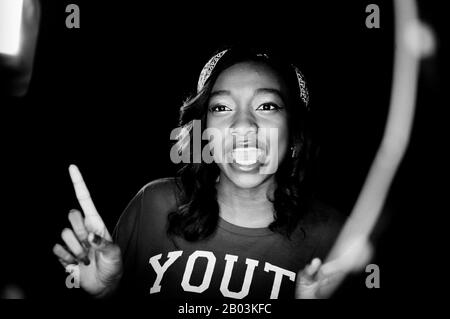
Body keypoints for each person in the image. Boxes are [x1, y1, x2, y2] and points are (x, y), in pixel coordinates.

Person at [53, 45, 347, 299]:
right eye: (221, 108)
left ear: (295, 135)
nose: (243, 126)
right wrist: (109, 292)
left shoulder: (335, 236)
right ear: (204, 133)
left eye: (267, 105)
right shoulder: (153, 205)